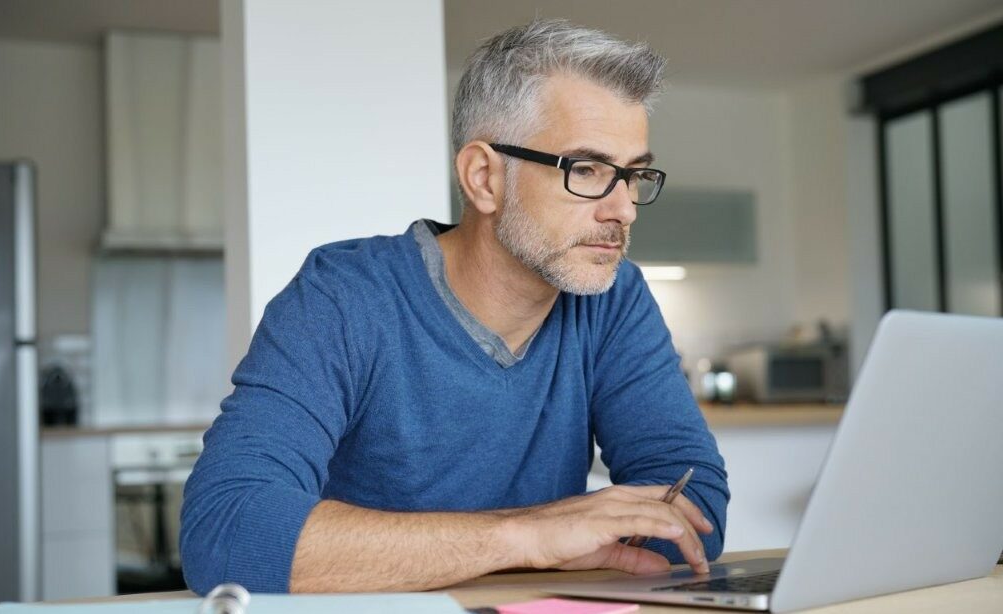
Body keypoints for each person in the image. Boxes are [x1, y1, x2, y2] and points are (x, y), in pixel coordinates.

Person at [180, 18, 729, 595]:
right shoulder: (342, 297)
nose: (624, 209)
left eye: (633, 175)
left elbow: (693, 506)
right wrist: (527, 538)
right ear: (484, 177)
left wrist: (563, 542)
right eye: (587, 170)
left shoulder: (613, 298)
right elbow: (227, 533)